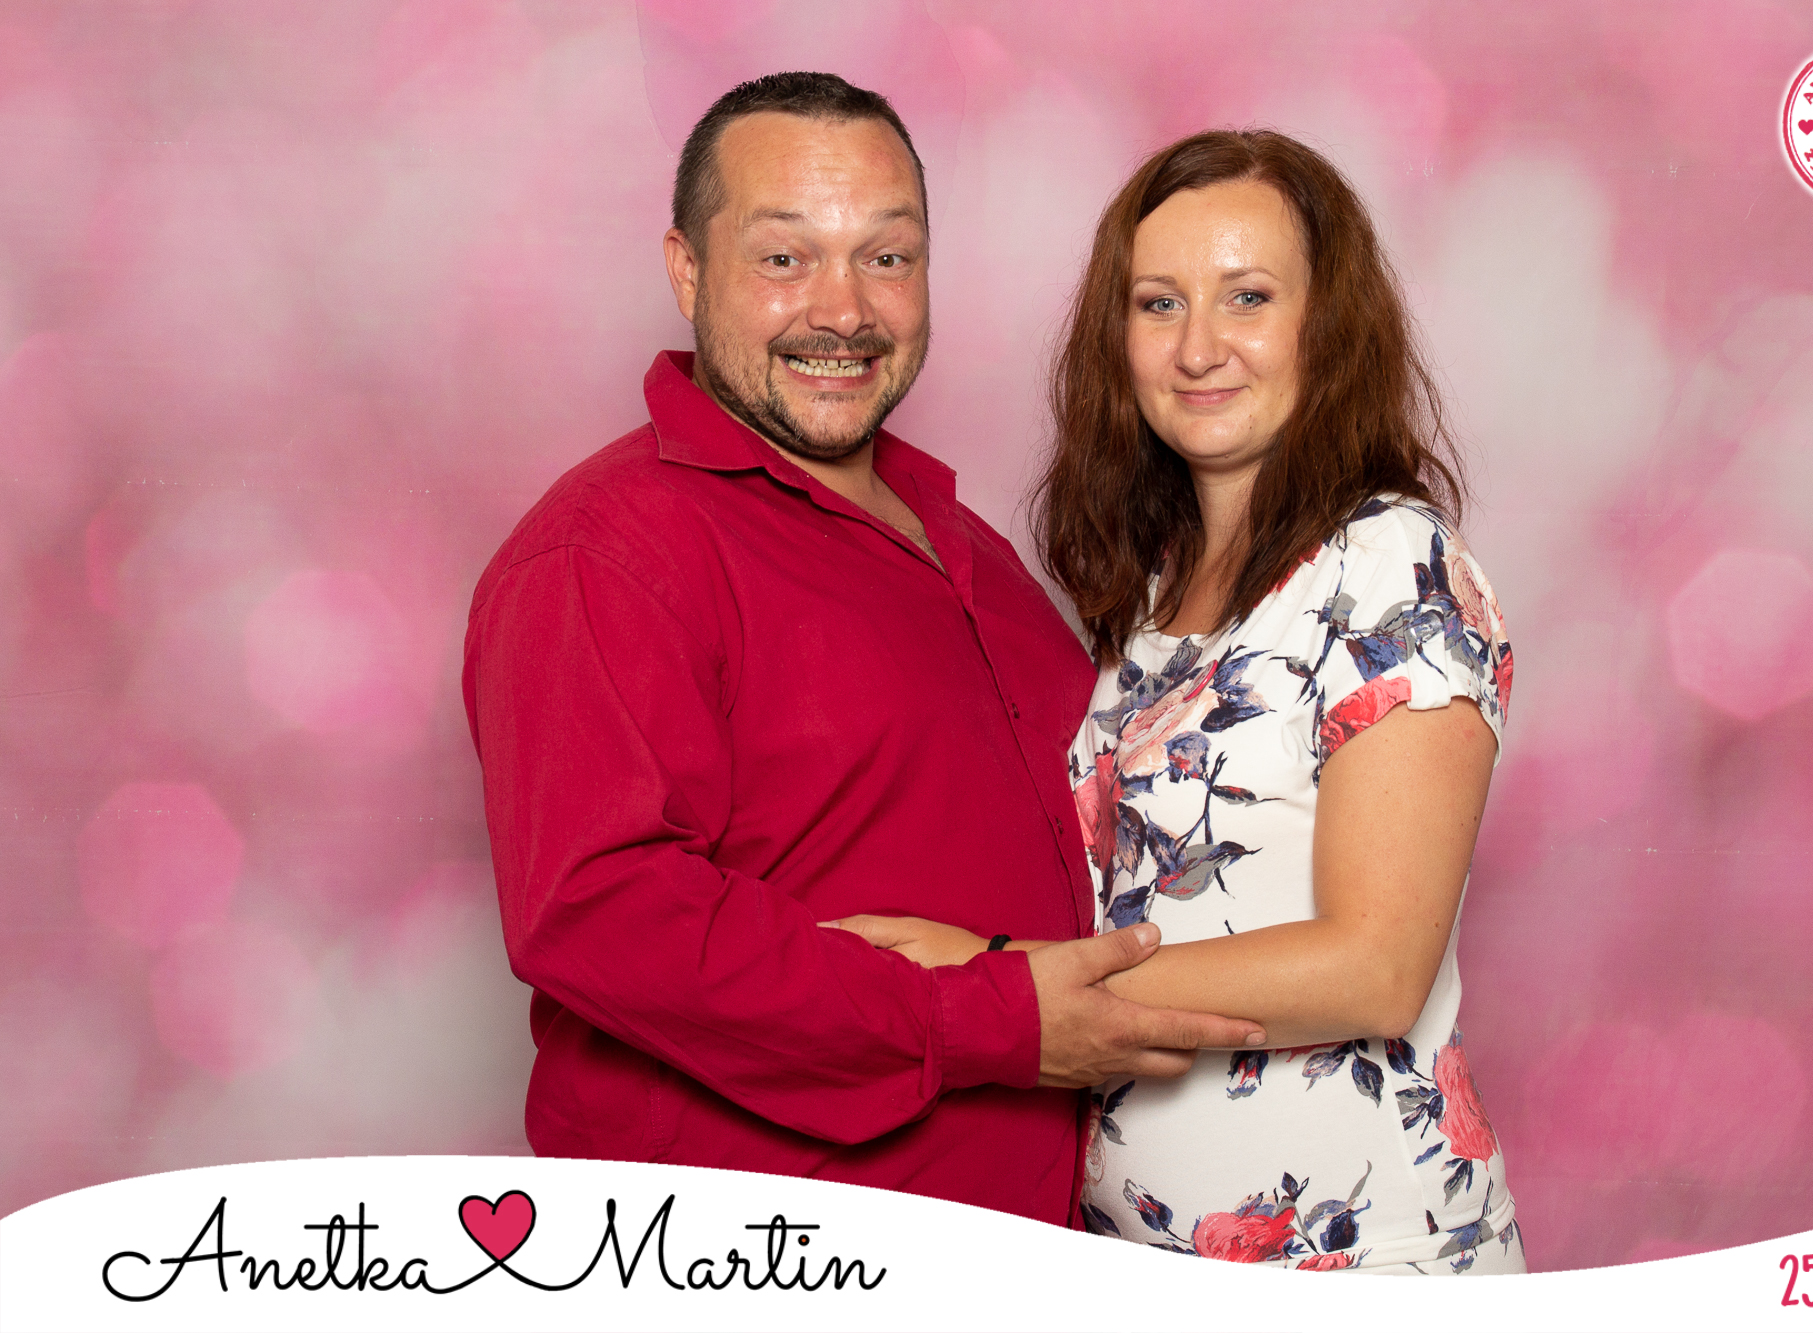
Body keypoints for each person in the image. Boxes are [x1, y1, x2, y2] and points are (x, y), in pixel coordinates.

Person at [461, 74, 1262, 1227]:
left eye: (885, 257)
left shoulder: (967, 545)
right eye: (784, 258)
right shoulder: (606, 552)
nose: (841, 310)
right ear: (687, 270)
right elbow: (607, 912)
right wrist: (995, 1018)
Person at [828, 129, 1523, 1271]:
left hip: (1358, 1257)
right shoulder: (1156, 596)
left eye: (1248, 297)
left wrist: (999, 974)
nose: (1198, 347)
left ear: (1328, 325)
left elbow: (1375, 967)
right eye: (1159, 304)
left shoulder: (1390, 561)